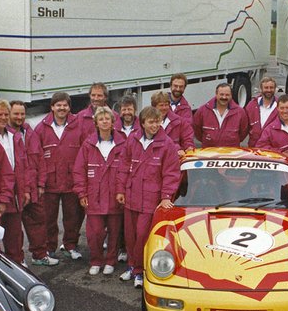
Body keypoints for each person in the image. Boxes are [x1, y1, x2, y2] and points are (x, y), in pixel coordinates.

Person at [116, 106, 181, 287]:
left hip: (150, 199)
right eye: (151, 122)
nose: (155, 125)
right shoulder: (133, 139)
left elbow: (171, 173)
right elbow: (123, 165)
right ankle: (131, 266)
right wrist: (120, 190)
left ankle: (140, 270)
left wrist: (166, 196)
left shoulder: (167, 144)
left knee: (143, 235)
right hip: (131, 195)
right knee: (129, 235)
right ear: (142, 123)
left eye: (157, 121)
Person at [74, 106, 125, 275]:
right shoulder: (88, 144)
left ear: (113, 122)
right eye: (101, 119)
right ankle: (96, 260)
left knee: (115, 232)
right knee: (94, 233)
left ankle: (111, 260)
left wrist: (122, 191)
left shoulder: (122, 143)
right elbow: (79, 171)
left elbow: (125, 170)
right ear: (95, 122)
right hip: (94, 197)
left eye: (107, 119)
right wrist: (82, 193)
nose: (104, 121)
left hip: (114, 196)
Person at [36, 91, 86, 260]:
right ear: (52, 107)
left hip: (71, 181)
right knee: (49, 219)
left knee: (72, 217)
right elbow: (37, 157)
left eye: (65, 105)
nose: (62, 108)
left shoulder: (78, 125)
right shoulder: (41, 127)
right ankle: (50, 248)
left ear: (69, 107)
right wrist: (40, 182)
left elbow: (85, 153)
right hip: (50, 182)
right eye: (58, 105)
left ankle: (71, 245)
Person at [10, 100, 59, 266]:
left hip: (33, 187)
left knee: (38, 223)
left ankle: (39, 255)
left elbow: (40, 159)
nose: (19, 117)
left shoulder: (30, 133)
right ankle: (18, 260)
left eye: (22, 114)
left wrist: (40, 184)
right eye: (15, 113)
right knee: (15, 229)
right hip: (16, 190)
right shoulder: (5, 135)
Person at [0, 99, 30, 264]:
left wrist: (25, 189)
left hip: (14, 191)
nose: (3, 118)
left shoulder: (14, 135)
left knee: (14, 232)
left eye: (6, 114)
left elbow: (23, 164)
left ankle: (17, 261)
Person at [193, 82, 248, 147]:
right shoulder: (202, 111)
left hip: (231, 153)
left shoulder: (240, 112)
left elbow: (243, 133)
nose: (224, 97)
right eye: (221, 94)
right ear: (216, 94)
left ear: (231, 95)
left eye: (227, 95)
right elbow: (197, 131)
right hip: (209, 153)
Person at [153, 90, 194, 155]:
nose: (164, 108)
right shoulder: (147, 122)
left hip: (174, 158)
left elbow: (187, 137)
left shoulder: (180, 121)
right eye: (161, 105)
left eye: (166, 105)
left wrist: (189, 147)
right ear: (154, 106)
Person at [245, 76, 279, 146]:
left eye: (271, 87)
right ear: (261, 89)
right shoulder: (251, 105)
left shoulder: (280, 106)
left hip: (272, 147)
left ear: (275, 89)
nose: (269, 90)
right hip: (253, 147)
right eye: (266, 88)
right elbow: (244, 127)